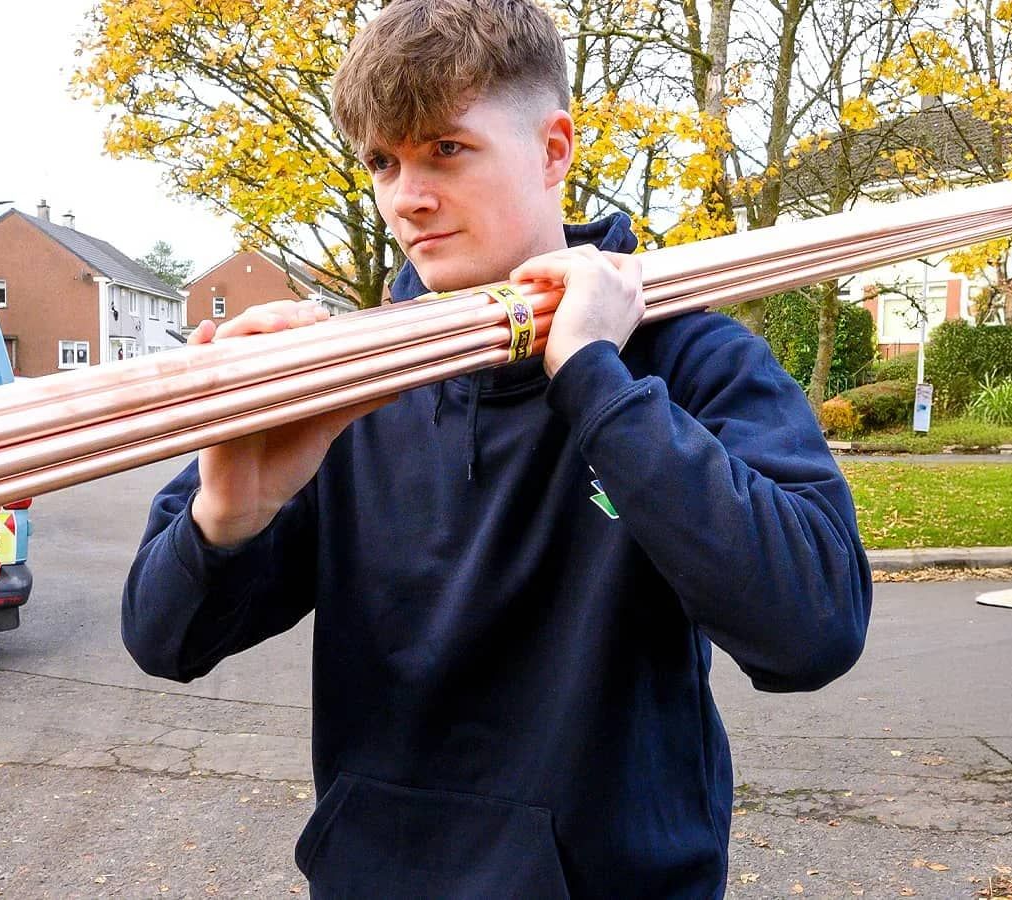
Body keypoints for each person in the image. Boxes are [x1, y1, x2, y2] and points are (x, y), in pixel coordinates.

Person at [121, 0, 871, 895]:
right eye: (383, 161)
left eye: (445, 148)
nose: (408, 197)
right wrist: (228, 517)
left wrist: (596, 380)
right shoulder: (342, 383)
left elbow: (815, 629)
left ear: (554, 150)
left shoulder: (691, 360)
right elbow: (162, 639)